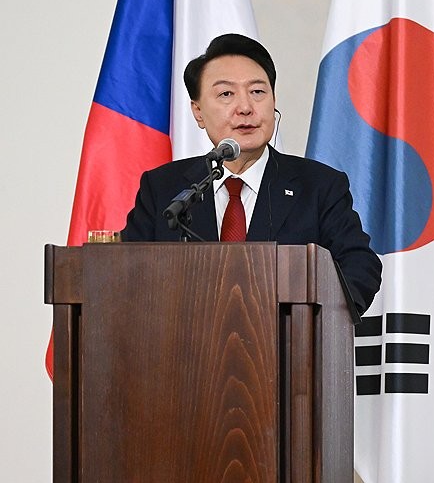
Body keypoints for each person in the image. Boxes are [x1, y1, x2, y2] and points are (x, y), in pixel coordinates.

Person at [122, 33, 382, 316]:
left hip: (290, 353)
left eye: (257, 92)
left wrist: (316, 323)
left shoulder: (319, 186)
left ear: (273, 100)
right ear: (198, 112)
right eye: (226, 94)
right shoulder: (163, 189)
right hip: (181, 355)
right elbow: (124, 273)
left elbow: (360, 267)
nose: (245, 107)